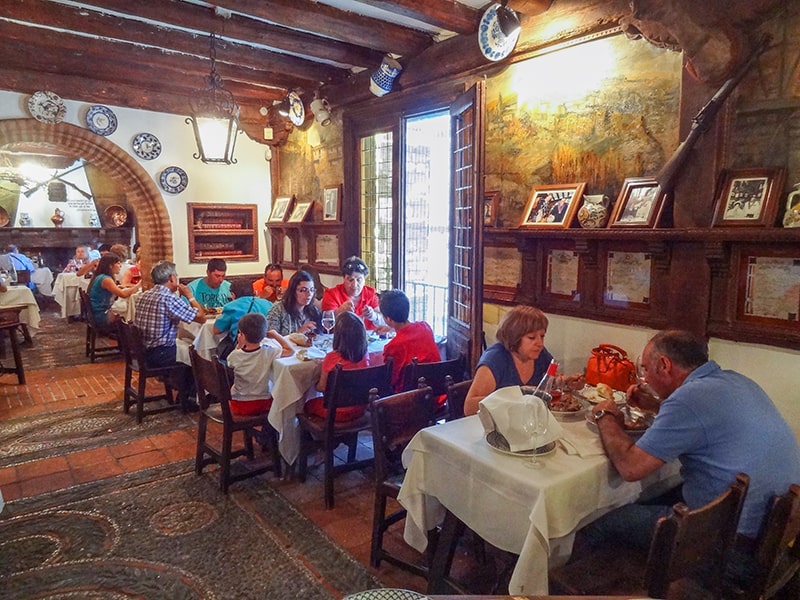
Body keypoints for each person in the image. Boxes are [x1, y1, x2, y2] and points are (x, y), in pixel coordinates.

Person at [583, 329, 800, 582]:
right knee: (653, 494)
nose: (644, 379)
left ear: (664, 365)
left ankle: (593, 589)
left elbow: (631, 468)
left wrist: (605, 415)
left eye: (645, 369)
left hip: (733, 553)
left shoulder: (688, 399)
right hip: (776, 541)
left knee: (599, 521)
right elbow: (703, 419)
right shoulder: (737, 381)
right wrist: (656, 406)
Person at [134, 260, 206, 412]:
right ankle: (191, 398)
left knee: (186, 347)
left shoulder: (144, 295)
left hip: (143, 350)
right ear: (172, 278)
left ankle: (185, 393)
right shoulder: (168, 298)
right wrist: (190, 296)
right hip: (159, 353)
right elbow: (201, 317)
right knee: (198, 355)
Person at [464, 305, 554, 416]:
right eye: (531, 337)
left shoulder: (539, 353)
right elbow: (469, 407)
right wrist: (515, 395)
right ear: (514, 337)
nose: (540, 343)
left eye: (542, 336)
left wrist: (566, 381)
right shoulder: (495, 359)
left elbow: (551, 382)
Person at [306, 311, 370, 422]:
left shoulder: (331, 358)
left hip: (334, 410)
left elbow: (322, 387)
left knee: (307, 404)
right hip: (360, 408)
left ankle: (315, 438)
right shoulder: (365, 355)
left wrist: (313, 384)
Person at [226, 313, 293, 416]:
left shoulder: (234, 355)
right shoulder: (269, 352)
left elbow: (230, 363)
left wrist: (239, 345)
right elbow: (290, 350)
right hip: (263, 403)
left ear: (242, 334)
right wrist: (276, 335)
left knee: (233, 387)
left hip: (239, 404)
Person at [380, 289, 441, 392]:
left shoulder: (392, 347)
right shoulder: (425, 327)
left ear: (389, 319)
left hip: (407, 401)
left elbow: (391, 380)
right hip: (436, 394)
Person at [213, 279, 274, 358]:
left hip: (242, 348)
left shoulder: (232, 306)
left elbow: (216, 330)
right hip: (266, 347)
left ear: (233, 294)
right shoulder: (268, 303)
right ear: (254, 292)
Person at [321, 256, 382, 330]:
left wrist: (373, 316)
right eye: (350, 280)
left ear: (364, 279)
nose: (354, 285)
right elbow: (327, 324)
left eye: (359, 280)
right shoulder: (331, 294)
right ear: (343, 279)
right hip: (341, 338)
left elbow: (384, 321)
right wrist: (339, 311)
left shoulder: (370, 294)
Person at [87, 253, 140, 329]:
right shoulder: (106, 279)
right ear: (110, 266)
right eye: (118, 263)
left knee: (125, 307)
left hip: (96, 312)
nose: (120, 266)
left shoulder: (100, 276)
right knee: (128, 310)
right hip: (102, 316)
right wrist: (138, 286)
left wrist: (118, 287)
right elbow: (123, 294)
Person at [266, 270, 321, 336]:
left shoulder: (313, 310)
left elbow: (320, 335)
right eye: (303, 290)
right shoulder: (278, 309)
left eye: (312, 290)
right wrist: (299, 333)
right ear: (293, 291)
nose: (309, 294)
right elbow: (270, 339)